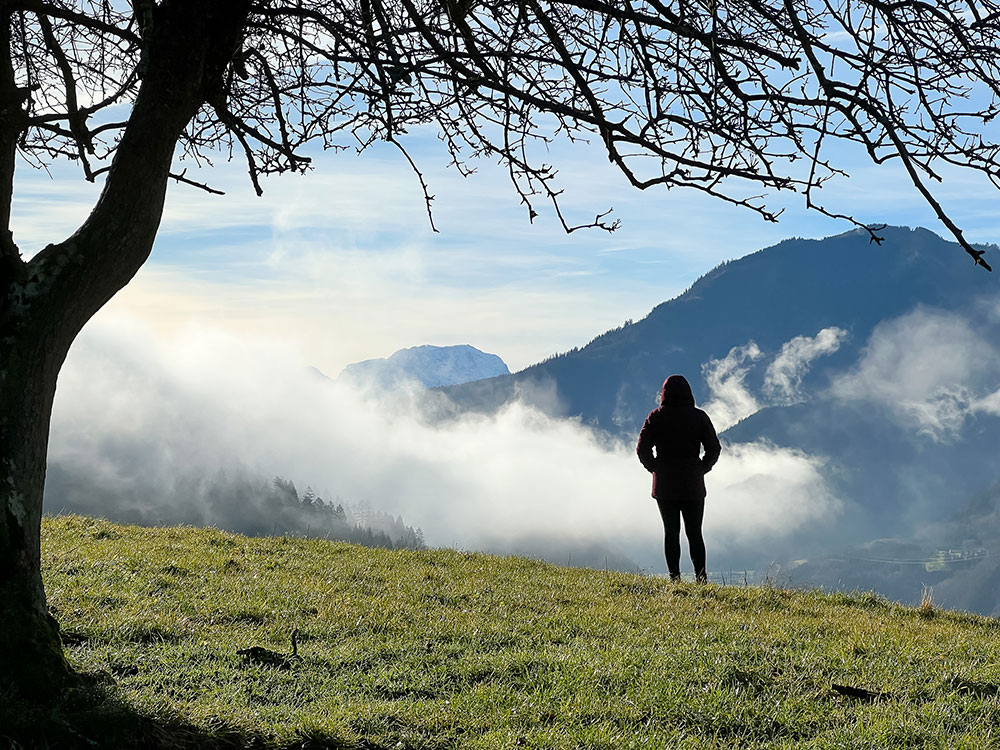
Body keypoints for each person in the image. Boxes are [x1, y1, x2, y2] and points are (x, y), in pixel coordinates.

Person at [636, 374, 721, 583]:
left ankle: (675, 578)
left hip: (665, 484)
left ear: (663, 394)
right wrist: (702, 468)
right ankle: (701, 578)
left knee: (671, 533)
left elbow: (642, 449)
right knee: (695, 533)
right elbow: (714, 448)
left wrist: (655, 468)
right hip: (693, 483)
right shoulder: (699, 417)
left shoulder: (656, 417)